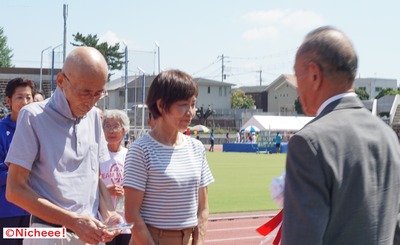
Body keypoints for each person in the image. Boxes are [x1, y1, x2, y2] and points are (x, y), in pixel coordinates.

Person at [281, 26, 400, 245]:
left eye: (299, 76)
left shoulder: (310, 142)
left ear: (315, 74)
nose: (298, 88)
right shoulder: (389, 137)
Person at [5, 47, 123, 245]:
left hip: (90, 232)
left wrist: (109, 214)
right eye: (85, 92)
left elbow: (94, 178)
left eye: (98, 93)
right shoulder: (33, 117)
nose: (91, 101)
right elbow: (15, 190)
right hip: (48, 234)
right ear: (61, 81)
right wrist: (73, 221)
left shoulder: (93, 116)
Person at [124, 69, 214, 245]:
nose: (190, 112)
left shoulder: (196, 148)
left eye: (193, 104)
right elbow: (131, 213)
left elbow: (203, 207)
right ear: (161, 105)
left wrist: (199, 241)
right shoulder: (141, 150)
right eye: (183, 104)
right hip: (151, 239)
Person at [0, 78, 35, 245]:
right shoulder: (1, 131)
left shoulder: (39, 129)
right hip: (7, 211)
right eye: (20, 97)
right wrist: (24, 172)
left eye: (29, 97)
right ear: (8, 101)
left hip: (36, 210)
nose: (25, 102)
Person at [100, 110, 131, 245]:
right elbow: (88, 187)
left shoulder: (130, 155)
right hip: (103, 220)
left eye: (115, 126)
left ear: (124, 131)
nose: (111, 131)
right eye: (107, 126)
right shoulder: (97, 155)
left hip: (126, 221)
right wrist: (107, 190)